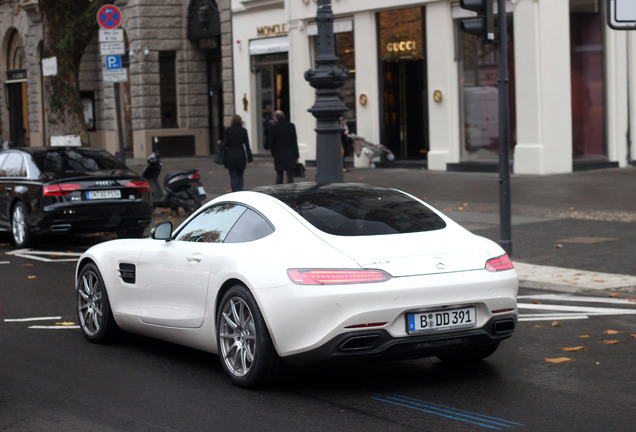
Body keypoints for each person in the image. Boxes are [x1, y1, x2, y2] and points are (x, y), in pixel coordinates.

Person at [221, 114, 253, 191]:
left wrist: (220, 144)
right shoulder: (243, 131)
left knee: (233, 176)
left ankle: (234, 192)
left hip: (230, 155)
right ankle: (240, 191)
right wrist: (250, 159)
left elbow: (224, 144)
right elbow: (247, 146)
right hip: (240, 154)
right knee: (240, 176)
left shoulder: (228, 131)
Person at [267, 110, 299, 184]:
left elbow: (271, 143)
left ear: (275, 118)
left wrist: (273, 153)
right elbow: (294, 141)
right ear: (284, 116)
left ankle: (279, 193)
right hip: (290, 154)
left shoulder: (273, 128)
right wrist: (296, 155)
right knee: (290, 176)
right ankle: (291, 192)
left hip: (279, 154)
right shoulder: (291, 126)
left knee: (279, 175)